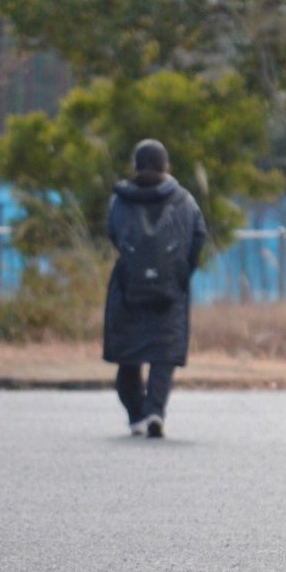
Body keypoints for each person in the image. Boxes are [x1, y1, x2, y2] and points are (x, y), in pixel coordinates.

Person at [103, 138, 207, 437]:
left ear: (135, 166)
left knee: (128, 354)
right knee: (164, 354)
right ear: (166, 166)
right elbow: (198, 236)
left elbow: (113, 233)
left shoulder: (119, 199)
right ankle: (154, 412)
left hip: (128, 289)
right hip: (170, 290)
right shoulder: (184, 200)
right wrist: (181, 273)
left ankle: (136, 414)